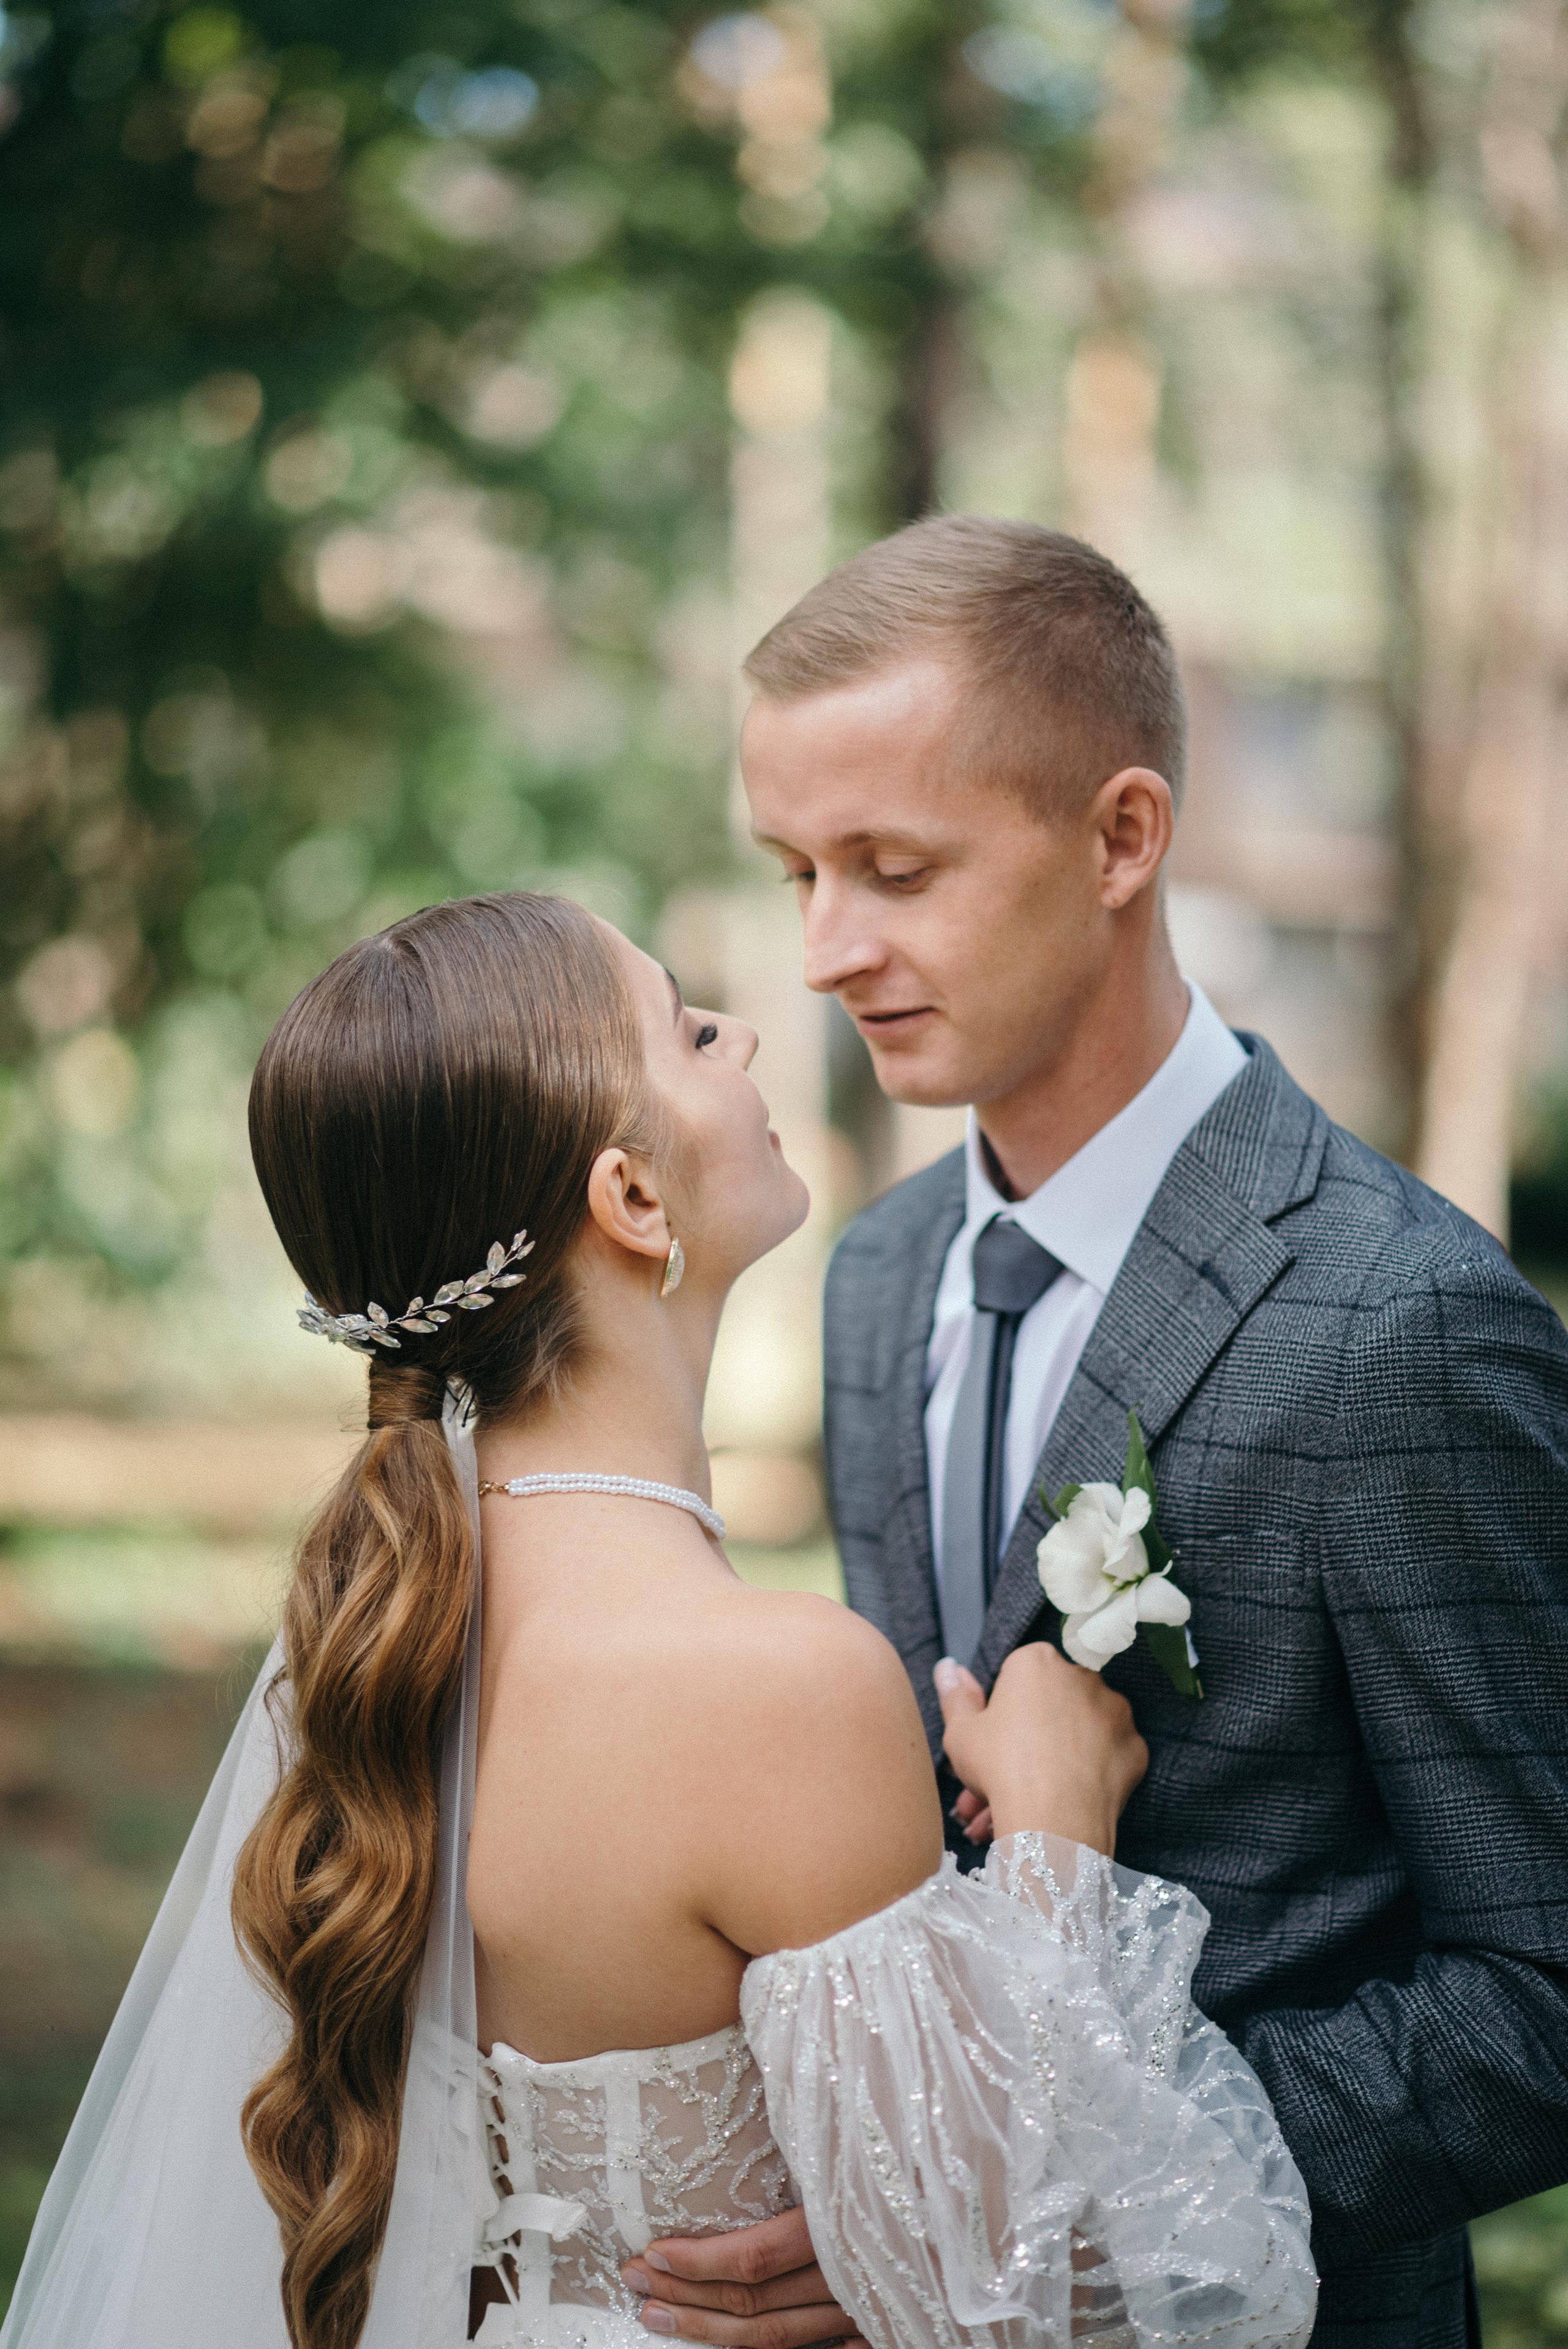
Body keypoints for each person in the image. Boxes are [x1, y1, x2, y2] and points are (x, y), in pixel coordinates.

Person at [0, 890, 1316, 2349]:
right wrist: (1059, 1842)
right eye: (690, 1030)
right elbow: (1026, 2302)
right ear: (631, 1200)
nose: (746, 1031)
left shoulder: (365, 1648)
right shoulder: (769, 1687)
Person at [626, 516, 1568, 2349]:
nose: (825, 947)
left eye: (893, 868)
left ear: (1123, 836)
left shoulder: (1407, 1332)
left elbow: (1546, 1984)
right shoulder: (878, 1275)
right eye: (797, 868)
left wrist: (1045, 2187)